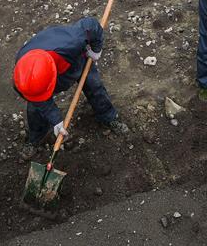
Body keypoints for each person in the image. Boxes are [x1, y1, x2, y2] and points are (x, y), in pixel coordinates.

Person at [13, 17, 128, 161]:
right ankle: (36, 137)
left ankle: (108, 117)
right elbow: (39, 100)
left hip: (76, 60)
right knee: (35, 108)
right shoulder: (22, 76)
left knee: (94, 86)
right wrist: (56, 120)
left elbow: (91, 25)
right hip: (46, 74)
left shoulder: (71, 41)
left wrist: (96, 50)